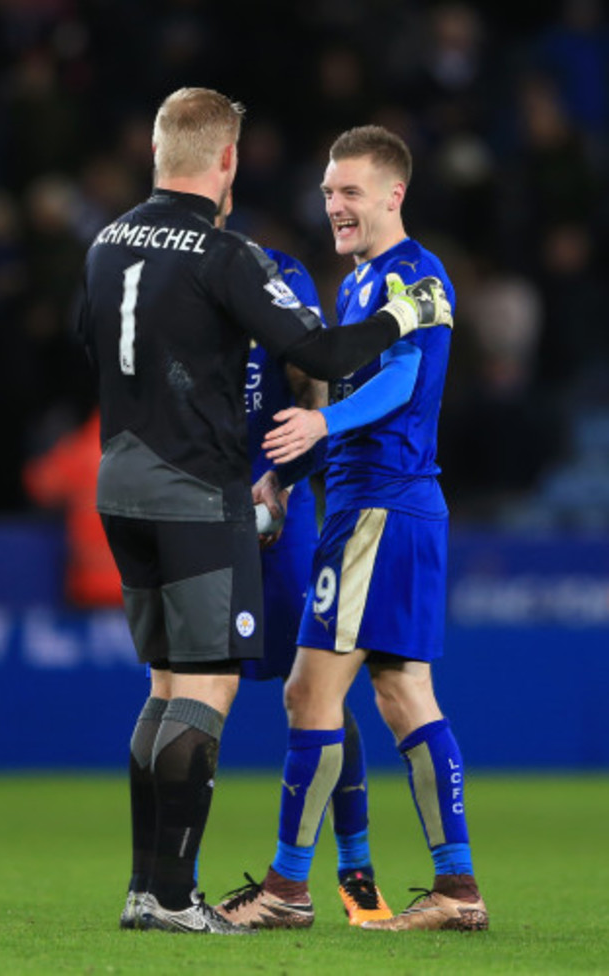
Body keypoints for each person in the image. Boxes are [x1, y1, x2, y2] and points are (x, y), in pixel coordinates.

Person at [78, 88, 452, 937]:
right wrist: (403, 316)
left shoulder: (105, 243)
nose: (333, 204)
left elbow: (90, 344)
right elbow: (319, 357)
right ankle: (183, 895)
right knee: (239, 687)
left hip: (138, 486)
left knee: (189, 684)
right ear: (228, 163)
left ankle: (169, 887)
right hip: (205, 497)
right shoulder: (232, 258)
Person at [216, 125, 488, 932]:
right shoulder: (361, 284)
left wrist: (323, 428)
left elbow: (400, 382)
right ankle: (456, 890)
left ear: (394, 194)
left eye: (351, 192)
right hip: (394, 505)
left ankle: (287, 890)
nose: (335, 204)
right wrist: (290, 469)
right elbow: (347, 399)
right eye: (329, 191)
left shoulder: (416, 274)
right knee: (404, 692)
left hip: (377, 507)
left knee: (310, 690)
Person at [244, 244, 393, 927]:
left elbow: (315, 383)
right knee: (183, 682)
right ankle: (167, 887)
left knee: (316, 691)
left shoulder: (276, 276)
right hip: (197, 507)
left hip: (279, 506)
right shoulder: (174, 280)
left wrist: (288, 478)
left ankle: (354, 868)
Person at [23, 409, 123, 608]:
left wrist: (52, 445)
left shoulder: (78, 449)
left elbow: (39, 484)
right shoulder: (147, 456)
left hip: (88, 584)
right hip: (135, 587)